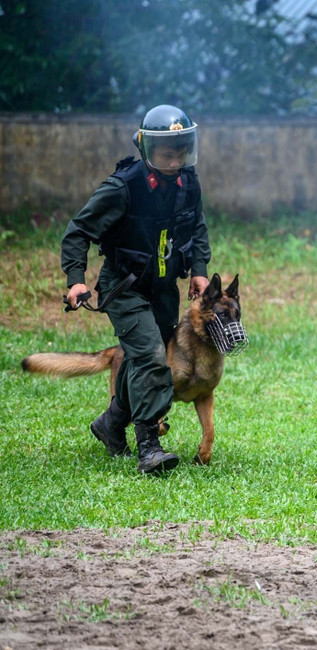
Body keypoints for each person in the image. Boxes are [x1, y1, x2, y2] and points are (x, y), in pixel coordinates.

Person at [61, 104, 211, 475]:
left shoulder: (188, 183)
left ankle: (110, 424)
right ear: (146, 149)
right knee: (151, 355)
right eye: (165, 152)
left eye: (180, 149)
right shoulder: (122, 187)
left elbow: (197, 229)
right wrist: (76, 279)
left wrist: (199, 270)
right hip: (123, 287)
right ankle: (149, 445)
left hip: (162, 287)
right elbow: (78, 231)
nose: (174, 159)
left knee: (134, 358)